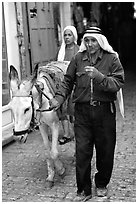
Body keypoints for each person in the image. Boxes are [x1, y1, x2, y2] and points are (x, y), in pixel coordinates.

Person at [49, 27, 124, 201]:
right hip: (82, 112)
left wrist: (99, 77)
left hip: (104, 111)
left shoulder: (111, 59)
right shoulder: (77, 59)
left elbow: (118, 82)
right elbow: (67, 82)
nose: (89, 44)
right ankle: (83, 190)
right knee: (82, 151)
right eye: (87, 40)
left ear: (100, 41)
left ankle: (101, 183)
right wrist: (59, 99)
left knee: (105, 151)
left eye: (93, 40)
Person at [57, 25, 79, 145]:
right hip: (64, 82)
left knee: (73, 109)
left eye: (69, 35)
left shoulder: (79, 49)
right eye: (65, 35)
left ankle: (76, 133)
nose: (67, 37)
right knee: (63, 109)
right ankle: (66, 134)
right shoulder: (61, 51)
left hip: (75, 84)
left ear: (74, 36)